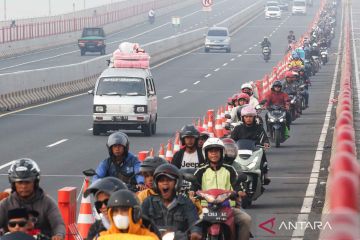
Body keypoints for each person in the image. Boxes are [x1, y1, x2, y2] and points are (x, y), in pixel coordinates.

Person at [191, 138, 252, 240]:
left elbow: (237, 183)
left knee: (246, 219)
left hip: (228, 208)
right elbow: (194, 185)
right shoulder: (200, 171)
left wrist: (240, 192)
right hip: (205, 209)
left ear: (222, 152)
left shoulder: (229, 169)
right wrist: (191, 193)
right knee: (191, 224)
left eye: (217, 151)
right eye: (211, 151)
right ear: (206, 153)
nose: (214, 154)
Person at [0, 159, 65, 240]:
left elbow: (58, 224)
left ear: (35, 182)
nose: (23, 186)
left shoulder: (47, 202)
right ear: (13, 184)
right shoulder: (5, 204)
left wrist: (59, 235)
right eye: (20, 182)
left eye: (27, 182)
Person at [141, 164, 202, 240]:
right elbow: (139, 223)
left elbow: (195, 223)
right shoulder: (148, 202)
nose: (165, 183)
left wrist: (195, 233)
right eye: (161, 180)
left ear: (176, 183)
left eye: (169, 180)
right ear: (156, 184)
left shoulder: (186, 203)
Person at [231, 106, 271, 185]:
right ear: (243, 118)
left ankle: (265, 175)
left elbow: (264, 138)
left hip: (255, 150)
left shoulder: (259, 128)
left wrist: (266, 143)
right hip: (240, 151)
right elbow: (232, 140)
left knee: (263, 156)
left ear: (254, 117)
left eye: (250, 116)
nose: (248, 118)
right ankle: (231, 174)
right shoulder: (238, 128)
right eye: (246, 117)